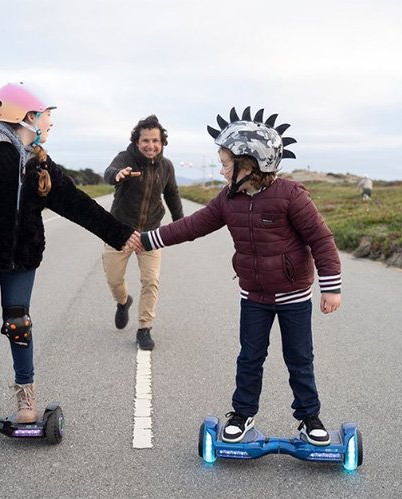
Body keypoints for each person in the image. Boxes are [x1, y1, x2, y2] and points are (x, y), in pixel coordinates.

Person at [0, 82, 141, 423]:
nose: (49, 124)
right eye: (45, 116)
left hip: (22, 258)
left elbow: (75, 203)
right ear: (25, 116)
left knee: (18, 324)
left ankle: (26, 398)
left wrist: (118, 233)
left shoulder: (40, 162)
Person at [139, 107, 342, 445]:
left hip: (293, 297)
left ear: (250, 166)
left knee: (299, 358)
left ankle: (310, 417)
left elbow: (321, 239)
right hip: (254, 297)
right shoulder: (228, 199)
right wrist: (150, 238)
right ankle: (243, 414)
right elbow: (194, 225)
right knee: (250, 356)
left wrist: (330, 287)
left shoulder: (291, 195)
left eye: (226, 164)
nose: (221, 170)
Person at [102, 115, 184, 350]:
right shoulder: (125, 158)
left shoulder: (166, 166)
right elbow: (110, 171)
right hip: (120, 231)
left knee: (151, 281)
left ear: (162, 143)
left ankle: (144, 328)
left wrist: (180, 224)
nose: (151, 145)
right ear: (137, 142)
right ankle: (123, 301)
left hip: (150, 233)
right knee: (114, 279)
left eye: (155, 141)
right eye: (146, 140)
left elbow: (172, 195)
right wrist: (117, 176)